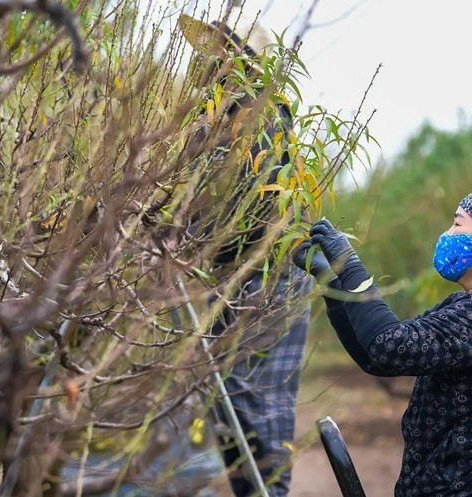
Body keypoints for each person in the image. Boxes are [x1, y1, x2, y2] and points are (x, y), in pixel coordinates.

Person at [294, 163, 472, 497]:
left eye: (458, 223)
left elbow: (387, 346)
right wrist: (335, 286)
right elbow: (377, 356)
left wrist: (350, 266)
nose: (448, 233)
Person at [177, 8, 311, 497]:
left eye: (217, 49)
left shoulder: (263, 116)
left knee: (258, 408)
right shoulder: (216, 117)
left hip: (269, 279)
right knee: (224, 405)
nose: (204, 58)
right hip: (232, 277)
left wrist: (183, 230)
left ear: (242, 60)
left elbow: (248, 211)